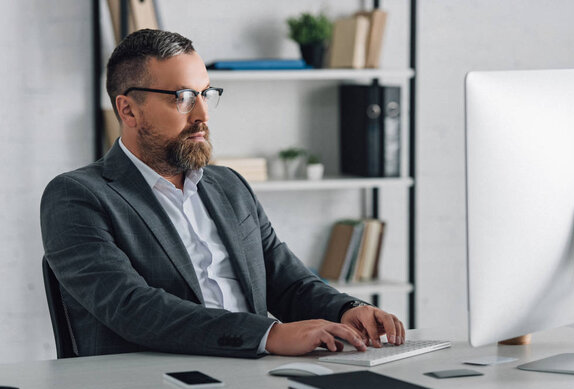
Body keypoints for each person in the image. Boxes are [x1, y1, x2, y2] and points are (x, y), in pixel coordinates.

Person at [40, 29, 404, 358]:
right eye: (182, 98)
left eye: (206, 94)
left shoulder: (229, 185)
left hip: (259, 373)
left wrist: (346, 310)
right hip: (160, 381)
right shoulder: (76, 197)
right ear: (128, 110)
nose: (202, 114)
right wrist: (268, 335)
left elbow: (288, 281)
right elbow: (132, 308)